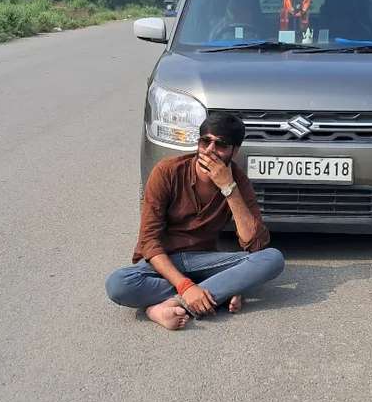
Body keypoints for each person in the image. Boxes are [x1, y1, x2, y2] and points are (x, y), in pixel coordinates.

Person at [105, 113, 285, 330]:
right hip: (165, 262)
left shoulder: (237, 181)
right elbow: (149, 243)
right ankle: (215, 293)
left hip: (205, 261)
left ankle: (165, 306)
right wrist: (186, 286)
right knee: (118, 283)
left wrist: (229, 189)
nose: (209, 150)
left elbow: (254, 244)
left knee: (272, 259)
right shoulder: (167, 171)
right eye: (205, 141)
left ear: (234, 151)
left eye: (220, 145)